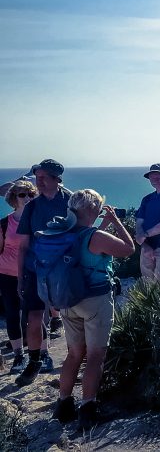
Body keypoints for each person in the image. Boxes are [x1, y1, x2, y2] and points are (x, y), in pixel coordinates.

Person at [46, 189, 135, 431]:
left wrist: (102, 223)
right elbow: (128, 249)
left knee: (74, 354)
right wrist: (116, 222)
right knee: (95, 356)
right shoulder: (95, 236)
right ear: (92, 209)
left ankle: (63, 405)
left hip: (67, 300)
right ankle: (87, 409)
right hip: (94, 300)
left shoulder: (62, 231)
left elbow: (85, 244)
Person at [14, 159, 69, 386]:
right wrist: (19, 277)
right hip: (35, 269)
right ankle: (35, 360)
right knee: (34, 317)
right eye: (37, 177)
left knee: (71, 316)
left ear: (57, 178)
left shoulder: (72, 201)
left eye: (43, 177)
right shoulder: (32, 207)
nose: (39, 181)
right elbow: (23, 245)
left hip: (64, 270)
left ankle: (76, 359)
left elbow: (83, 232)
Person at [1, 180, 37, 372]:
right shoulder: (5, 223)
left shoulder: (37, 220)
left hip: (31, 272)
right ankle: (18, 356)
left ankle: (38, 354)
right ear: (13, 199)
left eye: (31, 194)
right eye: (22, 194)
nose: (27, 198)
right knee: (13, 315)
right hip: (7, 274)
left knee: (35, 315)